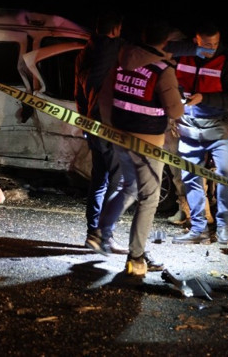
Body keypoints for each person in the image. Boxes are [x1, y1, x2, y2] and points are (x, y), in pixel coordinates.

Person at [86, 20, 185, 277]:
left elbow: (105, 96)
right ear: (165, 42)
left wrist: (111, 127)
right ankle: (137, 256)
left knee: (129, 187)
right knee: (149, 199)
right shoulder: (163, 69)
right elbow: (175, 110)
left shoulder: (120, 60)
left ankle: (100, 233)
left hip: (120, 137)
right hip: (149, 144)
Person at [169, 21, 228, 244]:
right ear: (196, 41)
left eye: (215, 43)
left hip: (220, 129)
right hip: (189, 127)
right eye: (206, 44)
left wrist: (204, 98)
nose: (211, 48)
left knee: (227, 176)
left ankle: (223, 227)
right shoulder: (182, 55)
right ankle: (198, 229)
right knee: (190, 177)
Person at [74, 10, 129, 254]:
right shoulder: (115, 49)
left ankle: (92, 234)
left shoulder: (85, 52)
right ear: (116, 29)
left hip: (92, 125)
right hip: (110, 126)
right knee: (117, 182)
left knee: (99, 180)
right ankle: (104, 235)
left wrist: (85, 122)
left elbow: (78, 94)